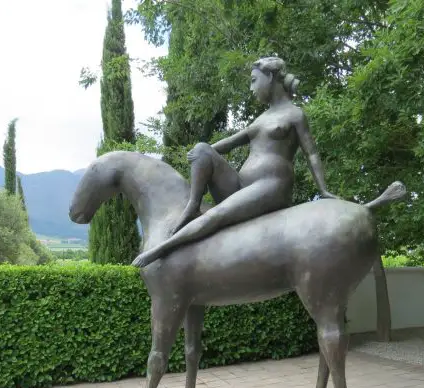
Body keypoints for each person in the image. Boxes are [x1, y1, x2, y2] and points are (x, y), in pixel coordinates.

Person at [131, 56, 339, 268]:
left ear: (269, 76)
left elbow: (311, 153)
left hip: (271, 186)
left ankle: (160, 250)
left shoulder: (295, 115)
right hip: (242, 186)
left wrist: (323, 190)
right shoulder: (261, 118)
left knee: (216, 214)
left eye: (253, 80)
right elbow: (229, 143)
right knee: (203, 149)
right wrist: (199, 152)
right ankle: (193, 206)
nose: (251, 88)